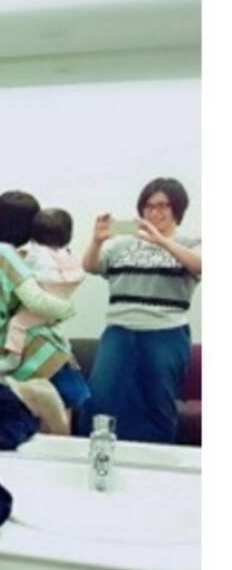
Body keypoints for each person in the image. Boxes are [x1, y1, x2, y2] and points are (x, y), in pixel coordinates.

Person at [82, 177, 201, 443]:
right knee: (101, 397)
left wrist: (162, 241)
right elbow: (90, 266)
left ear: (177, 209)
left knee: (158, 404)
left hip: (166, 333)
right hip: (119, 331)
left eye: (163, 206)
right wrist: (97, 241)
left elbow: (201, 265)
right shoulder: (122, 245)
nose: (155, 212)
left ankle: (159, 462)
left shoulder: (191, 244)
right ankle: (100, 457)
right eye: (148, 206)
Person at [0, 191, 87, 433]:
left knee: (30, 421)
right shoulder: (5, 254)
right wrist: (67, 309)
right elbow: (36, 300)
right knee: (59, 417)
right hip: (38, 349)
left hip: (8, 348)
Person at [0, 207, 90, 416]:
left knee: (18, 325)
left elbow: (33, 300)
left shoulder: (29, 256)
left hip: (43, 345)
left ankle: (12, 359)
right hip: (50, 333)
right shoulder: (66, 256)